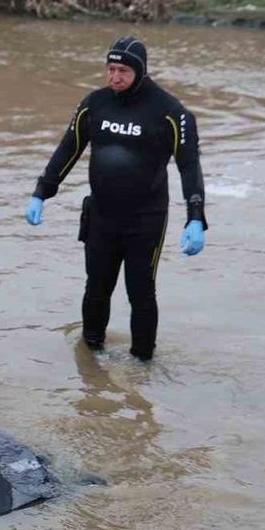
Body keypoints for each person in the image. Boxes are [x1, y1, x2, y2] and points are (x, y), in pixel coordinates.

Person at [24, 36, 207, 361]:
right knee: (96, 287)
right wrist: (42, 192)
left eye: (123, 70)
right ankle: (91, 358)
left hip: (145, 220)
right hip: (101, 216)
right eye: (110, 69)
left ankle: (142, 364)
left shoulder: (170, 112)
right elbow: (69, 149)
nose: (115, 77)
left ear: (140, 71)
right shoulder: (95, 104)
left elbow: (189, 165)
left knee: (141, 292)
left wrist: (195, 216)